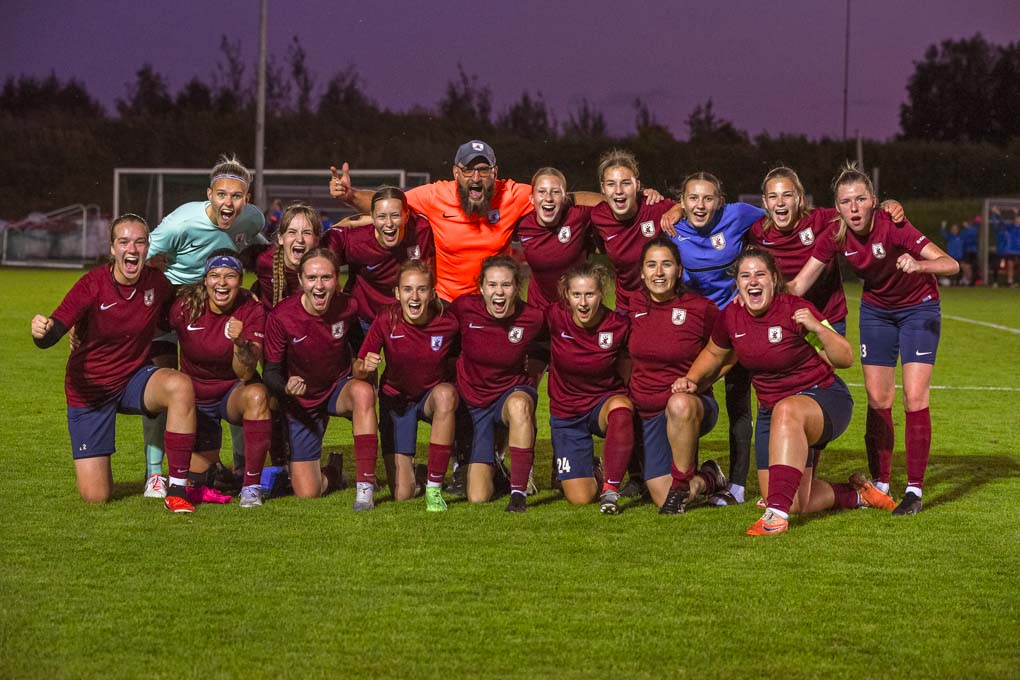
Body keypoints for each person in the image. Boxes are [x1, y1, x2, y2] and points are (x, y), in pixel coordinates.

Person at [679, 247, 893, 535]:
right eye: (745, 276)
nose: (753, 281)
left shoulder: (794, 309)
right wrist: (691, 379)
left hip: (823, 398)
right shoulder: (731, 315)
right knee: (794, 500)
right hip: (773, 411)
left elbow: (845, 358)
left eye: (760, 274)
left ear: (774, 279)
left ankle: (775, 518)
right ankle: (857, 494)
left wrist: (818, 328)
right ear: (738, 283)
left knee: (787, 411)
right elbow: (714, 353)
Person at [788, 163, 960, 515]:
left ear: (874, 201)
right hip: (876, 311)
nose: (853, 208)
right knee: (879, 398)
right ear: (837, 207)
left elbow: (950, 264)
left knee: (914, 397)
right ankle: (880, 484)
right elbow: (799, 284)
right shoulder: (835, 234)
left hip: (919, 308)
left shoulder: (892, 224)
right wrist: (760, 295)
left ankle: (914, 490)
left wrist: (920, 265)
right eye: (845, 201)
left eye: (860, 199)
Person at [31, 214, 197, 512]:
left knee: (179, 386)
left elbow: (181, 308)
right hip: (90, 391)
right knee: (96, 496)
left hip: (132, 379)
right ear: (112, 248)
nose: (132, 249)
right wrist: (43, 332)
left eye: (140, 242)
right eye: (124, 242)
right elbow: (58, 325)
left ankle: (177, 488)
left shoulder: (156, 283)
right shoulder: (92, 284)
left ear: (148, 249)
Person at [142, 154, 268, 495]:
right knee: (164, 386)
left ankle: (241, 465)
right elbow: (136, 257)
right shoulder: (180, 223)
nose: (228, 203)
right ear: (209, 194)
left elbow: (259, 247)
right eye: (222, 195)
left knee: (239, 377)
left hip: (218, 302)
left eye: (237, 196)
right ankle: (154, 473)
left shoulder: (252, 219)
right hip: (172, 305)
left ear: (247, 199)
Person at [665, 171, 765, 507]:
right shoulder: (671, 226)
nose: (700, 205)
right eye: (692, 198)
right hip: (692, 328)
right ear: (682, 201)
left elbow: (781, 216)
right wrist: (673, 210)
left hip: (735, 324)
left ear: (719, 201)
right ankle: (687, 475)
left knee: (739, 402)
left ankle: (736, 486)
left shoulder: (737, 214)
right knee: (687, 395)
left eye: (708, 198)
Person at [262, 248, 379, 508]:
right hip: (303, 401)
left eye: (326, 277)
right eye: (312, 278)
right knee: (307, 492)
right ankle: (334, 473)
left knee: (363, 392)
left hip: (337, 388)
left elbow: (359, 355)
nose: (319, 285)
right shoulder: (282, 317)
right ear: (301, 280)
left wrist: (366, 369)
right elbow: (270, 372)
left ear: (337, 279)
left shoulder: (348, 307)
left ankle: (365, 487)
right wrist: (286, 387)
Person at [627, 238, 728, 513]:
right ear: (642, 273)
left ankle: (682, 483)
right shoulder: (633, 305)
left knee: (679, 403)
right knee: (661, 496)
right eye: (651, 265)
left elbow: (729, 352)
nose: (659, 272)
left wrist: (700, 383)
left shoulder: (701, 309)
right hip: (649, 413)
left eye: (667, 264)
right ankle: (709, 477)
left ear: (680, 270)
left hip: (689, 408)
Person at [169, 250, 272, 508]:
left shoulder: (251, 308)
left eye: (230, 276)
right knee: (199, 480)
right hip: (194, 399)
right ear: (205, 280)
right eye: (214, 275)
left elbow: (245, 373)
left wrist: (239, 342)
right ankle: (219, 471)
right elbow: (150, 326)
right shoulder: (185, 306)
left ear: (241, 280)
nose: (222, 283)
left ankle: (251, 487)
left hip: (232, 391)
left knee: (257, 395)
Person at [355, 260, 460, 511]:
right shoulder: (386, 319)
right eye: (408, 289)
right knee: (402, 493)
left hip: (431, 398)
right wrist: (365, 366)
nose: (414, 297)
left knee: (446, 395)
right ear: (397, 293)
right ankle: (420, 478)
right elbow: (358, 367)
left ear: (432, 293)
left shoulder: (449, 323)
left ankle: (434, 489)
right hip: (397, 400)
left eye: (421, 289)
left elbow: (463, 362)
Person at [451, 255, 545, 511]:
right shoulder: (463, 308)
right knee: (478, 496)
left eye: (506, 285)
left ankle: (518, 493)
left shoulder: (533, 318)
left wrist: (534, 378)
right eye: (492, 285)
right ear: (481, 288)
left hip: (509, 394)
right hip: (475, 404)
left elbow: (553, 344)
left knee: (520, 405)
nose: (499, 292)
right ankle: (499, 472)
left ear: (517, 288)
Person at [546, 262, 633, 514]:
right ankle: (594, 468)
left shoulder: (618, 325)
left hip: (602, 405)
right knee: (580, 498)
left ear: (601, 294)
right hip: (567, 413)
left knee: (622, 408)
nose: (583, 303)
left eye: (590, 294)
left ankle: (611, 490)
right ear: (566, 295)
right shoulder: (553, 317)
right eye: (576, 294)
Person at [328, 187, 434, 346]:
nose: (389, 223)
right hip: (364, 318)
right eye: (382, 216)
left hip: (406, 316)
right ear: (372, 217)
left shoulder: (421, 230)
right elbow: (325, 253)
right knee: (361, 361)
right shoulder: (356, 241)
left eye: (395, 215)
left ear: (406, 216)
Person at [589, 149, 677, 315]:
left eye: (626, 183)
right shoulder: (598, 217)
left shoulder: (654, 207)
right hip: (626, 306)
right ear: (603, 188)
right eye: (611, 184)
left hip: (661, 304)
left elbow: (689, 207)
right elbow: (601, 247)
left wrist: (678, 209)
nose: (619, 190)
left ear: (637, 185)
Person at [253, 202, 326, 312]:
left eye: (307, 233)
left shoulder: (325, 265)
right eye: (292, 232)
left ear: (317, 240)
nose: (299, 239)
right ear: (280, 238)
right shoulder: (266, 262)